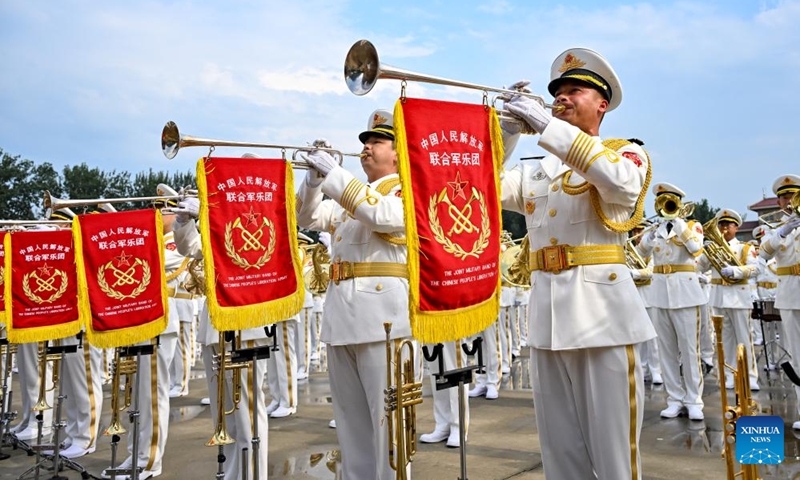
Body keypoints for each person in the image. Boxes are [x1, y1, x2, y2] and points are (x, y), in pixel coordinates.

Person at [500, 47, 656, 479]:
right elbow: (477, 187)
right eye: (558, 93)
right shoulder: (536, 171)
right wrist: (506, 133)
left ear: (601, 104)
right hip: (549, 320)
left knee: (613, 458)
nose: (563, 98)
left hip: (602, 320)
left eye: (575, 91)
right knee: (560, 454)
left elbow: (619, 183)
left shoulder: (627, 154)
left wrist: (547, 126)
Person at [296, 109, 412, 480]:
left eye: (377, 141)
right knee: (351, 424)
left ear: (398, 152)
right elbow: (307, 218)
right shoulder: (351, 195)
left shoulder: (409, 189)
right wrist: (314, 182)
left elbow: (383, 216)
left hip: (385, 322)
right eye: (364, 142)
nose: (367, 148)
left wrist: (334, 174)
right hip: (343, 317)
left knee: (389, 427)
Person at [171, 160, 271, 480]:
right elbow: (191, 247)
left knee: (248, 413)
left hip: (247, 324)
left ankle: (252, 474)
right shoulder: (219, 220)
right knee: (223, 414)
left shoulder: (262, 219)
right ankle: (232, 472)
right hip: (214, 325)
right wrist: (186, 219)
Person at [102, 187, 184, 480]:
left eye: (164, 210)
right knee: (135, 396)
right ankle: (133, 454)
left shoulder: (176, 243)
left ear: (176, 215)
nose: (157, 215)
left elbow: (150, 263)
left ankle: (150, 461)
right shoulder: (149, 240)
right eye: (156, 209)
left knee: (152, 396)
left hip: (160, 325)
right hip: (138, 321)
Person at [637, 183, 707, 421]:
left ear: (678, 202)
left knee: (689, 351)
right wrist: (650, 234)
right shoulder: (656, 228)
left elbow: (696, 249)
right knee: (666, 350)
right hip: (660, 293)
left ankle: (694, 399)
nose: (664, 206)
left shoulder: (691, 226)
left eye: (668, 201)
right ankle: (674, 399)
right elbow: (642, 253)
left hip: (686, 294)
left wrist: (678, 224)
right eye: (661, 201)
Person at [697, 209, 759, 391]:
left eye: (728, 225)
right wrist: (705, 252)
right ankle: (730, 375)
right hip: (718, 297)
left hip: (739, 297)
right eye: (721, 225)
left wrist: (736, 271)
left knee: (744, 339)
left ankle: (751, 376)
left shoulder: (745, 248)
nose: (724, 228)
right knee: (725, 340)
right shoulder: (713, 248)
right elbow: (699, 266)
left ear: (736, 227)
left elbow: (755, 269)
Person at [758, 174, 800, 429]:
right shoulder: (775, 229)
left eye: (793, 195)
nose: (788, 201)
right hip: (789, 295)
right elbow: (763, 253)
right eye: (784, 197)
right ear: (778, 202)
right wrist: (783, 232)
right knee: (796, 357)